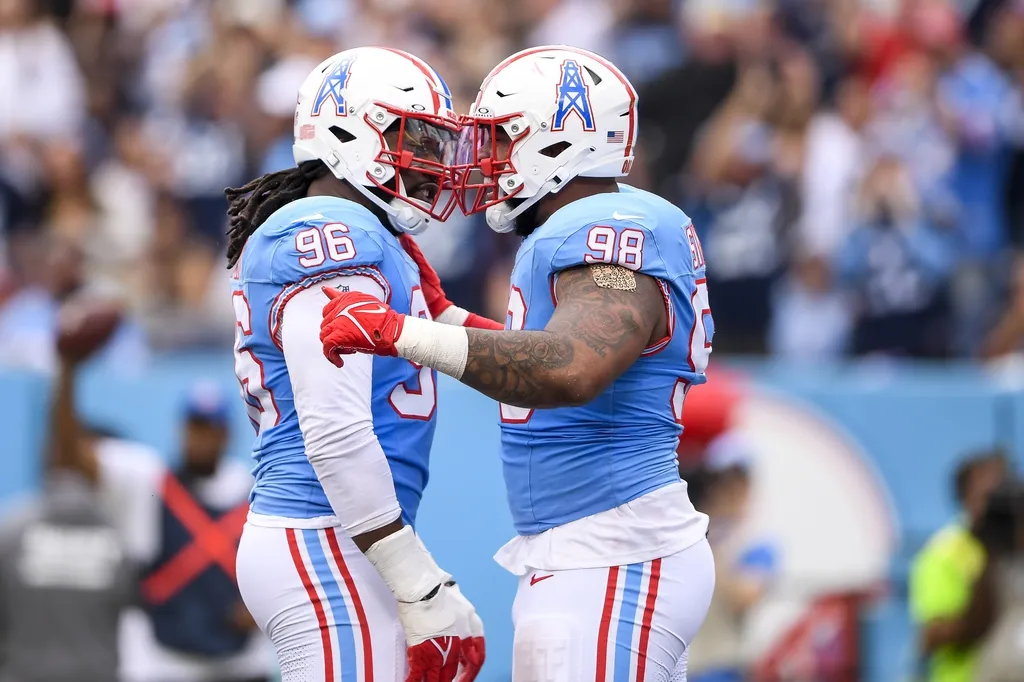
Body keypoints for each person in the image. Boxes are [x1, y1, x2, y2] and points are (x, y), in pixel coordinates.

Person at [319, 45, 716, 682]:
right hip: (599, 549)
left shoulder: (608, 226)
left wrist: (399, 333)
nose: (485, 159)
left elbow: (570, 366)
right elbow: (542, 362)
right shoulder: (590, 231)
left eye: (502, 139)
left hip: (614, 549)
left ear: (560, 144)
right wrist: (443, 320)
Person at [224, 47, 492, 682]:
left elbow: (476, 347)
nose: (430, 160)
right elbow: (336, 430)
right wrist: (420, 582)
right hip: (324, 531)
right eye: (414, 136)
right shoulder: (331, 227)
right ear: (349, 132)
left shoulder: (372, 235)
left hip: (339, 531)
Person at [51, 308, 271, 681]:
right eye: (194, 427)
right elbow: (71, 454)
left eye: (210, 428)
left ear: (225, 434)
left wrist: (266, 607)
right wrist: (69, 371)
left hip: (240, 664)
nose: (201, 438)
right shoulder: (148, 480)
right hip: (163, 662)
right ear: (181, 429)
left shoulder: (255, 491)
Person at [910, 449, 1009, 682]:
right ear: (965, 497)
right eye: (989, 495)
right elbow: (933, 633)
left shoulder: (1014, 551)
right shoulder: (943, 553)